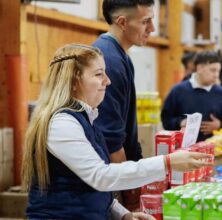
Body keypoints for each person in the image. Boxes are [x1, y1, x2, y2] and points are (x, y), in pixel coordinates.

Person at [21, 44, 212, 219]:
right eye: (98, 74)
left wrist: (122, 214)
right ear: (73, 82)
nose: (108, 81)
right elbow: (100, 176)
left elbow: (90, 187)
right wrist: (167, 163)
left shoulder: (86, 118)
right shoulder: (62, 123)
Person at [92, 0, 155, 209]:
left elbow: (127, 124)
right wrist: (131, 194)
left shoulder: (120, 56)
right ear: (122, 22)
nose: (152, 29)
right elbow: (111, 139)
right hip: (105, 175)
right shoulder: (109, 61)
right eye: (146, 21)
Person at [161, 50, 222, 141]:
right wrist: (180, 122)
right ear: (199, 68)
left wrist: (220, 125)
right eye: (213, 70)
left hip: (214, 150)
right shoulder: (177, 90)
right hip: (182, 151)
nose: (216, 75)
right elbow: (166, 121)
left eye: (218, 71)